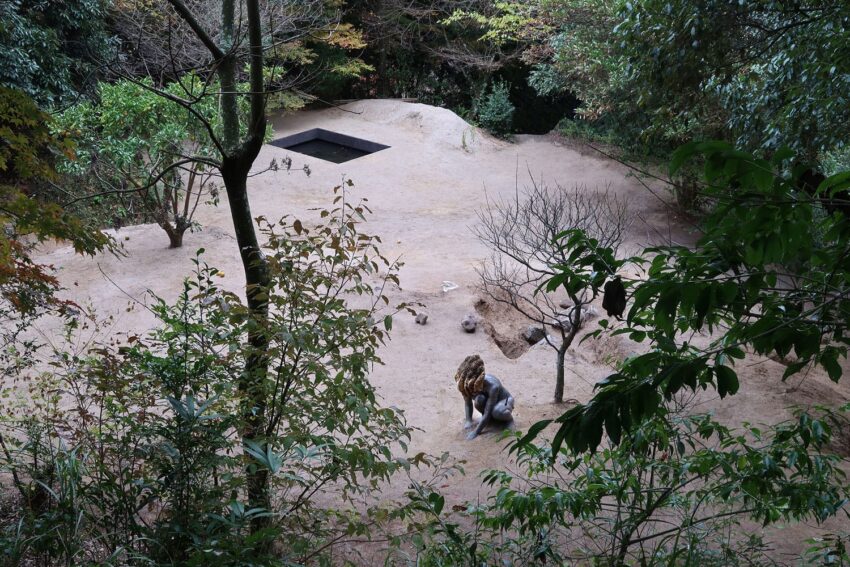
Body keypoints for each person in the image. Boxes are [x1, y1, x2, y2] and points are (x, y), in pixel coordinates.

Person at [454, 354, 515, 440]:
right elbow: (467, 402)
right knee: (479, 400)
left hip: (505, 401)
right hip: (491, 403)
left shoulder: (493, 386)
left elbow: (487, 412)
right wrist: (468, 421)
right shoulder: (466, 384)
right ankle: (491, 421)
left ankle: (509, 420)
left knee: (497, 411)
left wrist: (476, 432)